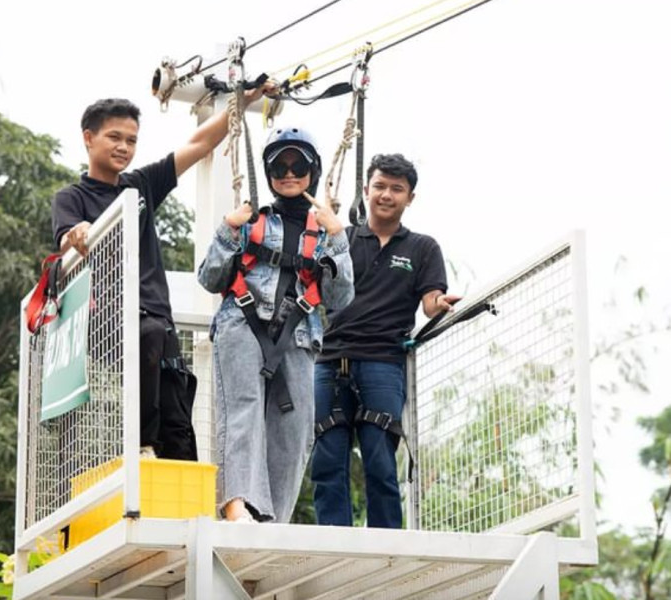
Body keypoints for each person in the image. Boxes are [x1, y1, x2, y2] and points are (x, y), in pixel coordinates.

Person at [51, 89, 268, 461]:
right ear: (89, 138)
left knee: (178, 412)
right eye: (114, 137)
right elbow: (69, 240)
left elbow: (199, 144)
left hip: (157, 318)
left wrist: (242, 101)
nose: (123, 147)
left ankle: (181, 493)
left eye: (131, 140)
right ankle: (141, 446)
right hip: (110, 317)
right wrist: (80, 232)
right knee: (147, 338)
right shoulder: (72, 197)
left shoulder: (140, 186)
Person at [198, 126, 354, 523]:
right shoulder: (252, 222)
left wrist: (338, 238)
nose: (288, 173)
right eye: (279, 166)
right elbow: (210, 278)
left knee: (297, 423)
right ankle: (238, 504)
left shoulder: (325, 233)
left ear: (312, 171)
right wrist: (228, 230)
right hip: (243, 322)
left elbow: (339, 299)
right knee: (244, 410)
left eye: (297, 165)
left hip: (298, 333)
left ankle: (273, 519)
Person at [310, 153, 460, 528]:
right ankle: (334, 539)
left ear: (410, 197)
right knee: (328, 458)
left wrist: (439, 304)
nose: (386, 195)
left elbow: (429, 304)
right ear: (366, 191)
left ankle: (387, 539)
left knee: (379, 458)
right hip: (331, 359)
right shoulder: (342, 239)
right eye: (379, 186)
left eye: (397, 189)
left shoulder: (422, 248)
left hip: (382, 362)